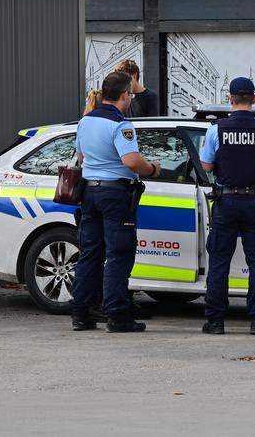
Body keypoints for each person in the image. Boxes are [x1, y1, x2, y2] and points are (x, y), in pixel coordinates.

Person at [71, 71, 162, 333]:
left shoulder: (85, 121)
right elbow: (131, 161)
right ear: (125, 95)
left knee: (90, 253)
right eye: (130, 96)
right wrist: (153, 169)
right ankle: (117, 315)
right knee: (119, 254)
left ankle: (81, 313)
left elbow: (80, 156)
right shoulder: (121, 125)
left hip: (89, 193)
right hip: (115, 196)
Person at [199, 77, 255, 335]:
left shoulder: (215, 129)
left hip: (226, 200)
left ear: (230, 99)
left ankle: (215, 321)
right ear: (254, 100)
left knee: (220, 260)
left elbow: (207, 166)